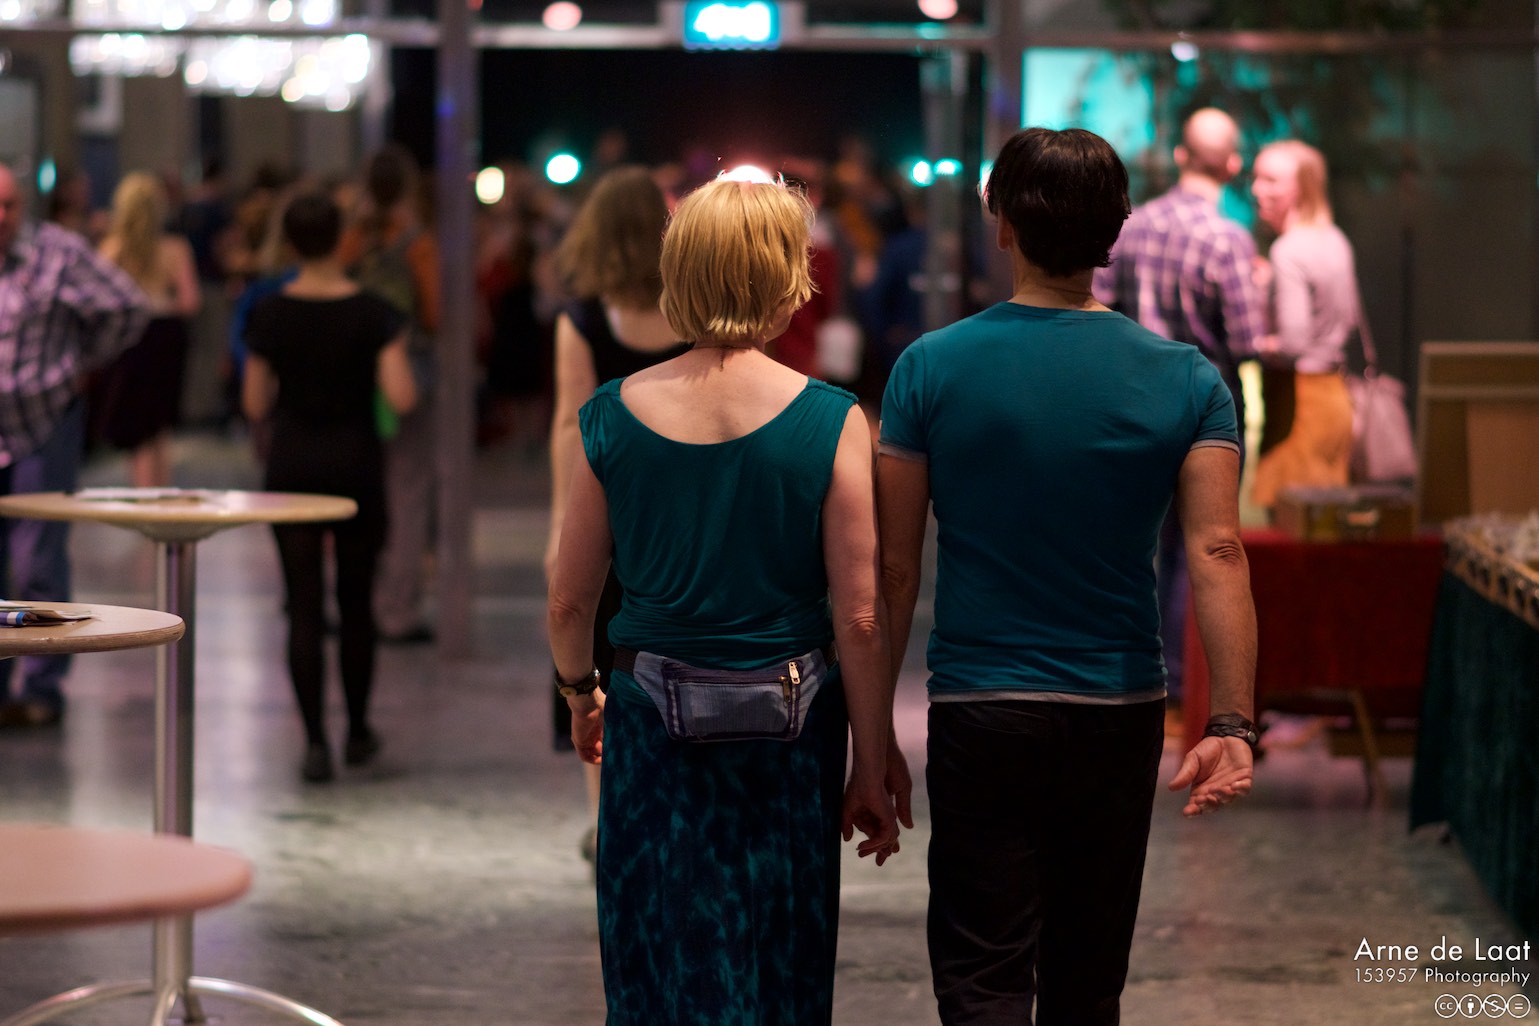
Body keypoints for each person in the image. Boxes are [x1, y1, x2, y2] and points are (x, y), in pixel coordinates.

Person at [878, 127, 1258, 1025]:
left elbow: (892, 570)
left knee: (981, 976)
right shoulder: (1187, 379)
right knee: (1087, 983)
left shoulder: (928, 368)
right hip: (1116, 711)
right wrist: (1231, 722)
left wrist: (869, 730)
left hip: (980, 709)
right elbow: (1216, 552)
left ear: (1001, 225)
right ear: (1112, 233)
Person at [546, 170, 902, 1025]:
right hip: (791, 736)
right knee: (778, 960)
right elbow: (859, 615)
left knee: (658, 957)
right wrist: (871, 759)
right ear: (786, 281)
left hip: (650, 724)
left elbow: (569, 601)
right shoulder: (832, 420)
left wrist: (579, 692)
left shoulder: (610, 416)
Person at [1092, 106, 1266, 715]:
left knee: (1131, 544)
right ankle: (1185, 687)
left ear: (1180, 157)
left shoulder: (1132, 229)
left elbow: (1099, 307)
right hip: (1202, 411)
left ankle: (1129, 672)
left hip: (1127, 403)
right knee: (1202, 549)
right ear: (1234, 165)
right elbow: (1248, 342)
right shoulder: (1228, 239)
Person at [241, 192, 417, 783]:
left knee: (303, 607)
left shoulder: (268, 312)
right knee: (356, 603)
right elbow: (402, 397)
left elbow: (255, 403)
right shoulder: (374, 313)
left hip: (292, 467)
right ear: (342, 237)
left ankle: (315, 743)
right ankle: (359, 731)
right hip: (355, 466)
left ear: (290, 242)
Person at [543, 165, 690, 858]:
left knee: (598, 662)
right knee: (672, 652)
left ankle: (605, 818)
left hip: (606, 507)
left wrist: (559, 525)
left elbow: (569, 425)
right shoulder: (692, 313)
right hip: (677, 509)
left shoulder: (581, 319)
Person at [0, 162, 149, 728]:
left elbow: (128, 306)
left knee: (36, 561)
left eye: (9, 205)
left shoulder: (57, 253)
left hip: (44, 425)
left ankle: (42, 688)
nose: (1, 217)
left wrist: (84, 363)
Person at [341, 145, 441, 646]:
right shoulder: (417, 243)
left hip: (354, 374)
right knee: (408, 492)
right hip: (406, 374)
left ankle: (349, 603)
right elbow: (435, 313)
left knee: (354, 493)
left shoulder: (352, 239)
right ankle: (398, 610)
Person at [1248, 139, 1359, 512]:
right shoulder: (1335, 239)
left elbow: (1293, 343)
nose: (1257, 189)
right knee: (1325, 527)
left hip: (1299, 404)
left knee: (1292, 530)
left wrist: (1254, 342)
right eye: (1256, 178)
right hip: (1334, 396)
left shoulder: (1288, 250)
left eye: (1271, 180)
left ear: (1302, 188)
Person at [94, 171, 202, 487]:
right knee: (159, 427)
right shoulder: (175, 248)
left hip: (131, 338)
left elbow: (99, 301)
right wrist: (159, 301)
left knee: (137, 426)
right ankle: (160, 496)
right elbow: (190, 301)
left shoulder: (112, 249)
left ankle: (144, 497)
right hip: (165, 335)